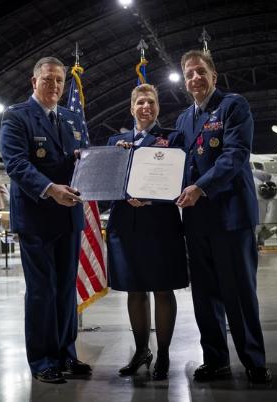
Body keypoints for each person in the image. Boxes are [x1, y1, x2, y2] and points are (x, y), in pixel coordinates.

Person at [174, 50, 271, 383]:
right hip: (197, 219)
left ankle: (254, 361)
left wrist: (200, 187)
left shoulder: (233, 105)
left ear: (213, 76)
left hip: (230, 216)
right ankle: (215, 359)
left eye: (200, 72)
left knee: (239, 293)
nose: (195, 78)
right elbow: (175, 163)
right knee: (205, 295)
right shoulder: (184, 119)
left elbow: (235, 154)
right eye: (189, 74)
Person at [0, 56, 92, 383]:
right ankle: (42, 361)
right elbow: (16, 164)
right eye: (48, 79)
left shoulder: (71, 119)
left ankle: (66, 355)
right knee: (41, 291)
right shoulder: (16, 117)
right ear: (34, 82)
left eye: (59, 81)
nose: (54, 86)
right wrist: (50, 189)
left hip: (69, 216)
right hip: (36, 218)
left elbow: (84, 160)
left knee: (66, 290)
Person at [106, 84, 188, 381]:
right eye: (140, 102)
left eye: (151, 102)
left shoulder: (173, 138)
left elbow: (181, 176)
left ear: (157, 108)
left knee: (163, 289)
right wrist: (117, 166)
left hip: (160, 224)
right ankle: (142, 351)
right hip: (125, 225)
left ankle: (163, 355)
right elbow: (106, 185)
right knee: (134, 289)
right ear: (132, 109)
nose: (146, 107)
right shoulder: (116, 141)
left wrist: (151, 193)